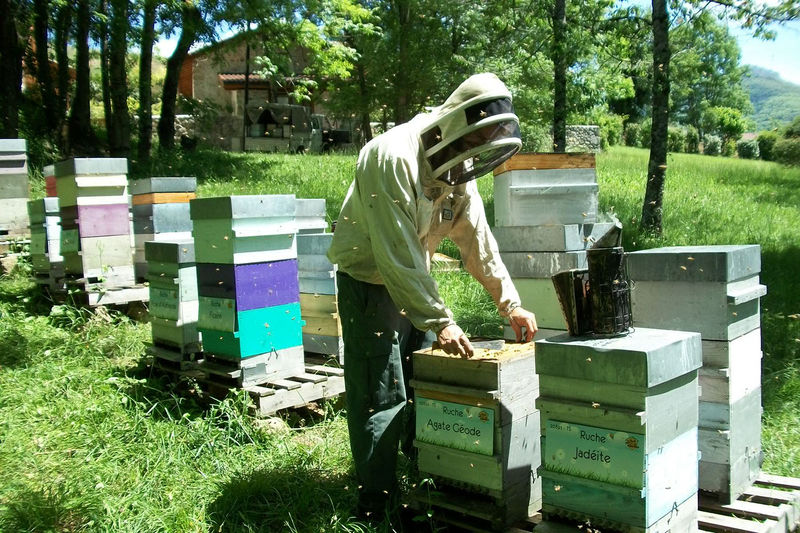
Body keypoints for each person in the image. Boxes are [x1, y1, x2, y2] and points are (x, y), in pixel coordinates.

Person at [327, 72, 538, 519]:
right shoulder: (389, 157)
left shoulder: (459, 167)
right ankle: (374, 505)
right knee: (382, 395)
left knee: (424, 384)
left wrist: (511, 303)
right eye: (472, 140)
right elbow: (395, 253)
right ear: (456, 125)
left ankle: (424, 479)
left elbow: (478, 243)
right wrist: (441, 321)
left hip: (413, 283)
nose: (470, 156)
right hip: (369, 283)